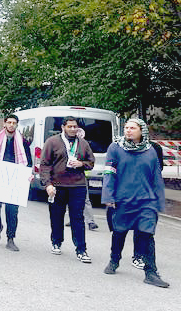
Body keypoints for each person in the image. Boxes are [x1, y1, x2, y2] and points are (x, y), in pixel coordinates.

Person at [102, 119, 169, 288]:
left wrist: (159, 200)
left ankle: (151, 272)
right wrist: (108, 196)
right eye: (126, 128)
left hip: (146, 201)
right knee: (119, 232)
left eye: (132, 128)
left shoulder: (151, 150)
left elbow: (156, 176)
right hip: (123, 200)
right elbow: (109, 174)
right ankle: (114, 260)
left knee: (147, 235)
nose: (128, 130)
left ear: (142, 131)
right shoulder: (115, 148)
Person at [40, 116, 95, 263]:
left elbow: (91, 163)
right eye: (69, 126)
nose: (72, 129)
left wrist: (80, 163)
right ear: (63, 127)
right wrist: (48, 184)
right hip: (57, 186)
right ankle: (56, 242)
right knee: (57, 216)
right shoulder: (52, 142)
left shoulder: (83, 143)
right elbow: (44, 165)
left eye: (74, 126)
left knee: (77, 217)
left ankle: (81, 249)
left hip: (77, 186)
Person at [0, 114, 33, 252]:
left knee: (12, 211)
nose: (11, 125)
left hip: (14, 180)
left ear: (17, 125)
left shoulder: (23, 141)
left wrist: (28, 174)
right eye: (9, 122)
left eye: (14, 123)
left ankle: (10, 239)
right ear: (4, 124)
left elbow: (28, 160)